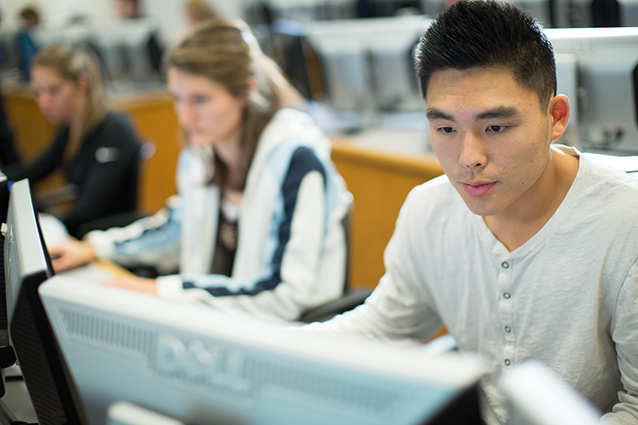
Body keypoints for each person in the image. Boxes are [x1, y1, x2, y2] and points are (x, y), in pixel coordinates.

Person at [303, 1, 638, 424]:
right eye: (446, 128)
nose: (468, 158)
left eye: (495, 127)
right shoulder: (429, 209)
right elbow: (383, 327)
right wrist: (266, 348)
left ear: (555, 117)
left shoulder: (626, 224)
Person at [49, 20, 350, 322]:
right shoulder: (203, 153)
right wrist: (96, 248)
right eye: (178, 99)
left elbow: (282, 295)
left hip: (283, 332)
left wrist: (162, 292)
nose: (185, 116)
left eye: (200, 100)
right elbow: (177, 229)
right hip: (218, 323)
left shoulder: (296, 160)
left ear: (247, 90)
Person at [5, 43, 142, 238]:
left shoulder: (114, 131)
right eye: (38, 92)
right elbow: (33, 171)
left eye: (53, 90)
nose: (44, 102)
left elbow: (91, 209)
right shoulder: (71, 129)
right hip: (85, 233)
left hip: (106, 238)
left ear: (81, 83)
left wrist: (43, 231)